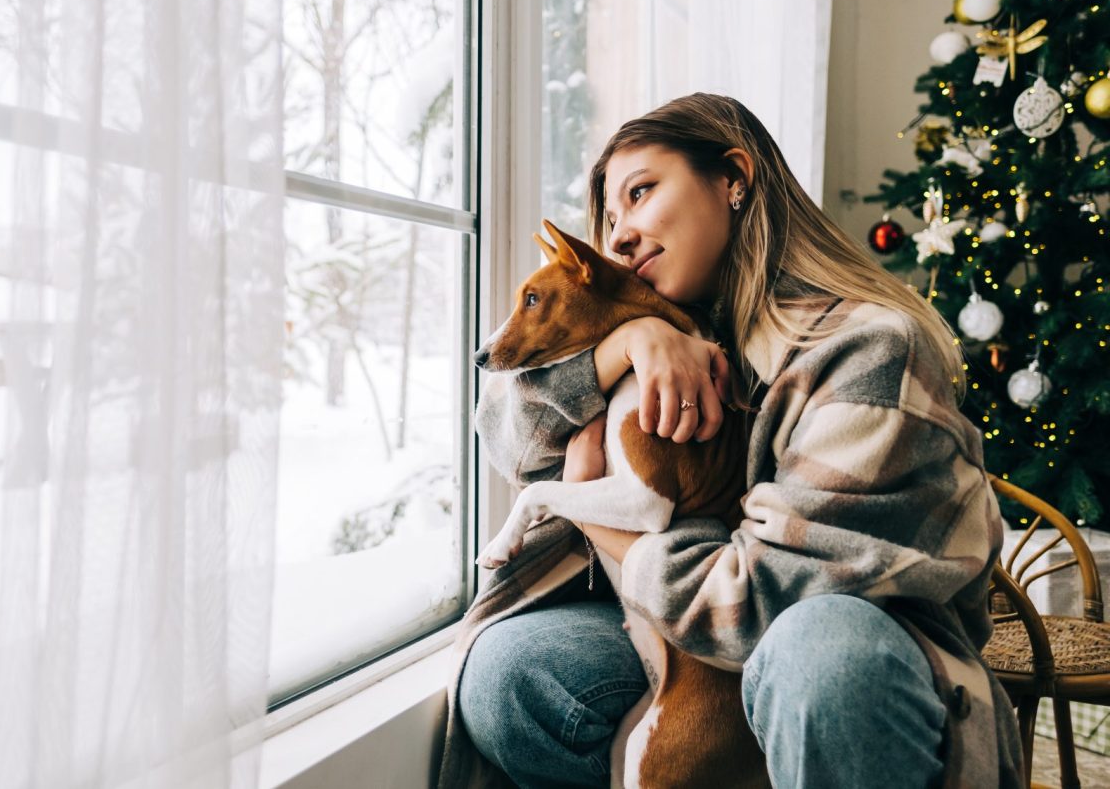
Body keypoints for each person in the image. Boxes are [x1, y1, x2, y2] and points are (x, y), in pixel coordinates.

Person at [436, 94, 1025, 789]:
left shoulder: (868, 348)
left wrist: (592, 511)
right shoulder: (673, 335)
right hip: (694, 642)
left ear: (733, 178)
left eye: (642, 192)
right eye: (612, 215)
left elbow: (766, 605)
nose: (619, 236)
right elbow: (507, 439)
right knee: (509, 669)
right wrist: (624, 344)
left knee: (820, 651)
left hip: (853, 661)